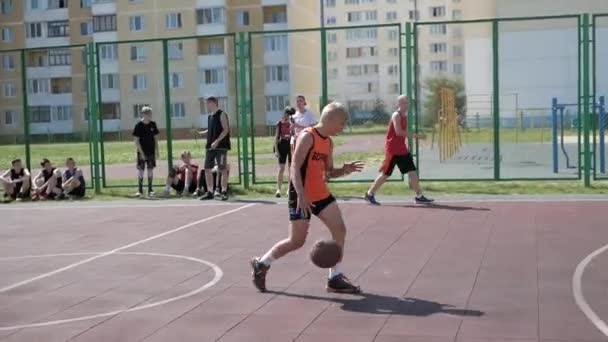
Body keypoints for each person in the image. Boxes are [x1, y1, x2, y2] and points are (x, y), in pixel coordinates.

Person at [250, 102, 364, 294]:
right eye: (342, 123)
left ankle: (335, 277)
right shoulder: (308, 137)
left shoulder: (328, 142)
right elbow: (294, 168)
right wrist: (301, 196)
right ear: (330, 119)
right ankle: (262, 263)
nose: (343, 128)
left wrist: (343, 170)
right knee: (296, 241)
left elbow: (328, 173)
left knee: (340, 230)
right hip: (300, 193)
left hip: (320, 193)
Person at [364, 95, 433, 205]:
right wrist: (417, 136)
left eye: (407, 102)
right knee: (385, 174)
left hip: (402, 149)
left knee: (412, 172)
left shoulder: (404, 116)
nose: (407, 104)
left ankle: (419, 196)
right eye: (405, 102)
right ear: (399, 104)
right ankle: (370, 194)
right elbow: (398, 132)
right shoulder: (396, 115)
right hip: (393, 150)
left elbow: (402, 134)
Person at [199, 97, 230, 201]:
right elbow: (211, 129)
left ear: (214, 103)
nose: (207, 105)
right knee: (207, 169)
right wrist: (202, 132)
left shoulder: (222, 114)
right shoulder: (210, 117)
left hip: (220, 147)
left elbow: (225, 130)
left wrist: (217, 141)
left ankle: (224, 192)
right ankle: (210, 192)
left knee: (222, 168)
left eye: (208, 103)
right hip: (210, 147)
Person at [132, 106, 160, 197]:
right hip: (141, 152)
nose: (149, 115)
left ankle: (150, 189)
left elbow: (156, 139)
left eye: (150, 113)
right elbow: (136, 140)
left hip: (151, 151)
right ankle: (140, 190)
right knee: (141, 170)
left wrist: (157, 151)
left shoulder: (153, 124)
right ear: (143, 114)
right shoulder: (138, 125)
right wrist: (142, 153)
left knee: (150, 169)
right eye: (146, 113)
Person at [273, 106, 295, 197]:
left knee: (291, 168)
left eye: (290, 114)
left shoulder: (293, 123)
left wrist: (292, 123)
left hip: (291, 144)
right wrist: (276, 150)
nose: (287, 116)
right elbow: (276, 137)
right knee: (281, 168)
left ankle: (289, 189)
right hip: (282, 144)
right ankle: (278, 189)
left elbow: (295, 133)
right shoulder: (280, 123)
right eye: (286, 113)